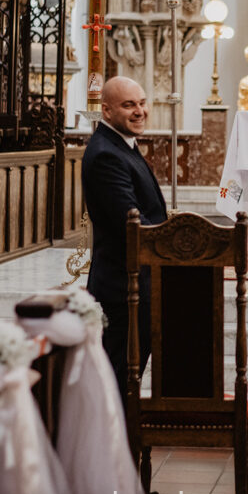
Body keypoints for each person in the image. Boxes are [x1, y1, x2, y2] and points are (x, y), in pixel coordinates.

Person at [82, 76, 167, 393]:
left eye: (142, 103)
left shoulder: (122, 146)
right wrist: (176, 240)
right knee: (115, 381)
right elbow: (129, 222)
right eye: (129, 105)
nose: (140, 111)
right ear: (106, 110)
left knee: (124, 379)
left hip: (136, 281)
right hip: (122, 288)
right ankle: (109, 442)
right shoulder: (107, 154)